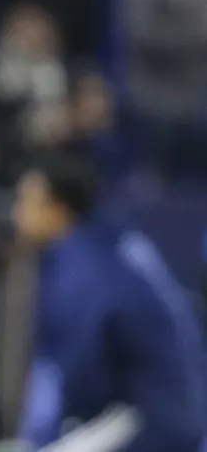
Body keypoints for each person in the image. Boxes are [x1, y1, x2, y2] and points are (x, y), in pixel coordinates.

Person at [15, 153, 207, 451]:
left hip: (142, 415)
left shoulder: (83, 263)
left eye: (26, 201)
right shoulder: (111, 243)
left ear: (57, 208)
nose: (18, 213)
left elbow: (82, 358)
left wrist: (60, 425)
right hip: (171, 408)